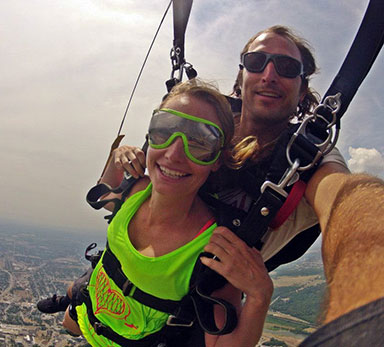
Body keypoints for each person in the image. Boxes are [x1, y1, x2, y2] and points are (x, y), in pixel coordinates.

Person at [59, 79, 274, 347]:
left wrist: (259, 296)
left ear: (217, 159)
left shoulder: (214, 247)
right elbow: (104, 196)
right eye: (164, 131)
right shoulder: (135, 191)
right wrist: (118, 155)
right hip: (87, 315)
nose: (174, 153)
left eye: (199, 142)